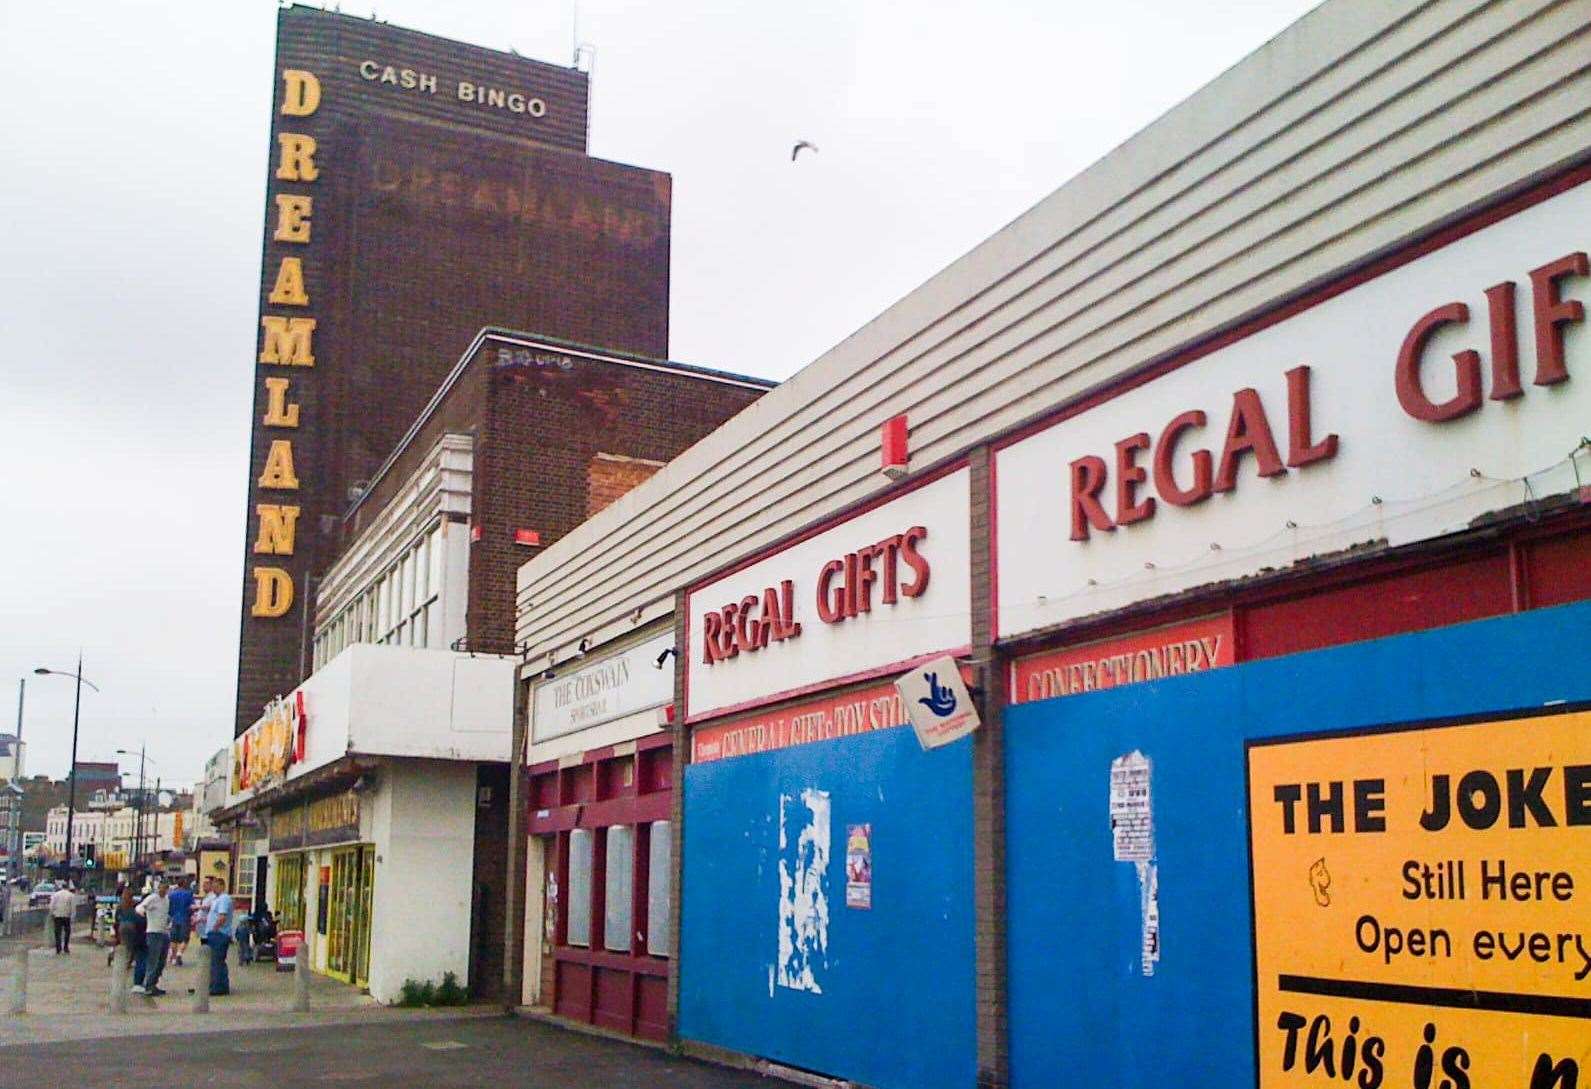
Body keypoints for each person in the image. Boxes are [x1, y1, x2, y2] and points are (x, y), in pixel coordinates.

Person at [132, 879, 172, 996]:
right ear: (158, 888)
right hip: (153, 932)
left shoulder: (166, 900)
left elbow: (165, 913)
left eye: (165, 888)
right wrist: (142, 913)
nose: (163, 890)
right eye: (162, 888)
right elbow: (140, 907)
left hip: (163, 932)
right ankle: (148, 985)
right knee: (153, 960)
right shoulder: (152, 898)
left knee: (161, 961)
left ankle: (154, 983)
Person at [202, 877, 235, 997]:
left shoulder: (224, 899)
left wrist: (215, 928)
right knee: (214, 961)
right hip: (214, 933)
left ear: (222, 886)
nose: (214, 889)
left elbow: (222, 917)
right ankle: (214, 984)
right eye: (213, 886)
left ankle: (218, 987)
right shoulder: (217, 899)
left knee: (217, 961)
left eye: (216, 886)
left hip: (219, 934)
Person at [108, 886, 142, 990]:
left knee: (122, 944)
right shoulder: (135, 904)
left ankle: (113, 956)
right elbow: (138, 916)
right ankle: (127, 963)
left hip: (122, 926)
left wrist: (116, 929)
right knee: (131, 947)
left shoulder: (120, 906)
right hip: (132, 926)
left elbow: (116, 919)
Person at [166, 876, 194, 966]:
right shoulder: (188, 894)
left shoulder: (171, 894)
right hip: (185, 918)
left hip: (174, 919)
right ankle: (179, 953)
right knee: (185, 939)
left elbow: (168, 908)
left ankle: (173, 958)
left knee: (173, 939)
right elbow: (192, 906)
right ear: (185, 884)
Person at [48, 881, 76, 954]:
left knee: (57, 932)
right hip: (67, 916)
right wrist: (72, 917)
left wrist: (51, 914)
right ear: (67, 887)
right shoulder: (71, 895)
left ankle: (58, 948)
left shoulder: (56, 895)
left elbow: (52, 905)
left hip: (57, 915)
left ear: (61, 887)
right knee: (67, 932)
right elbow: (73, 907)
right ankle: (66, 947)